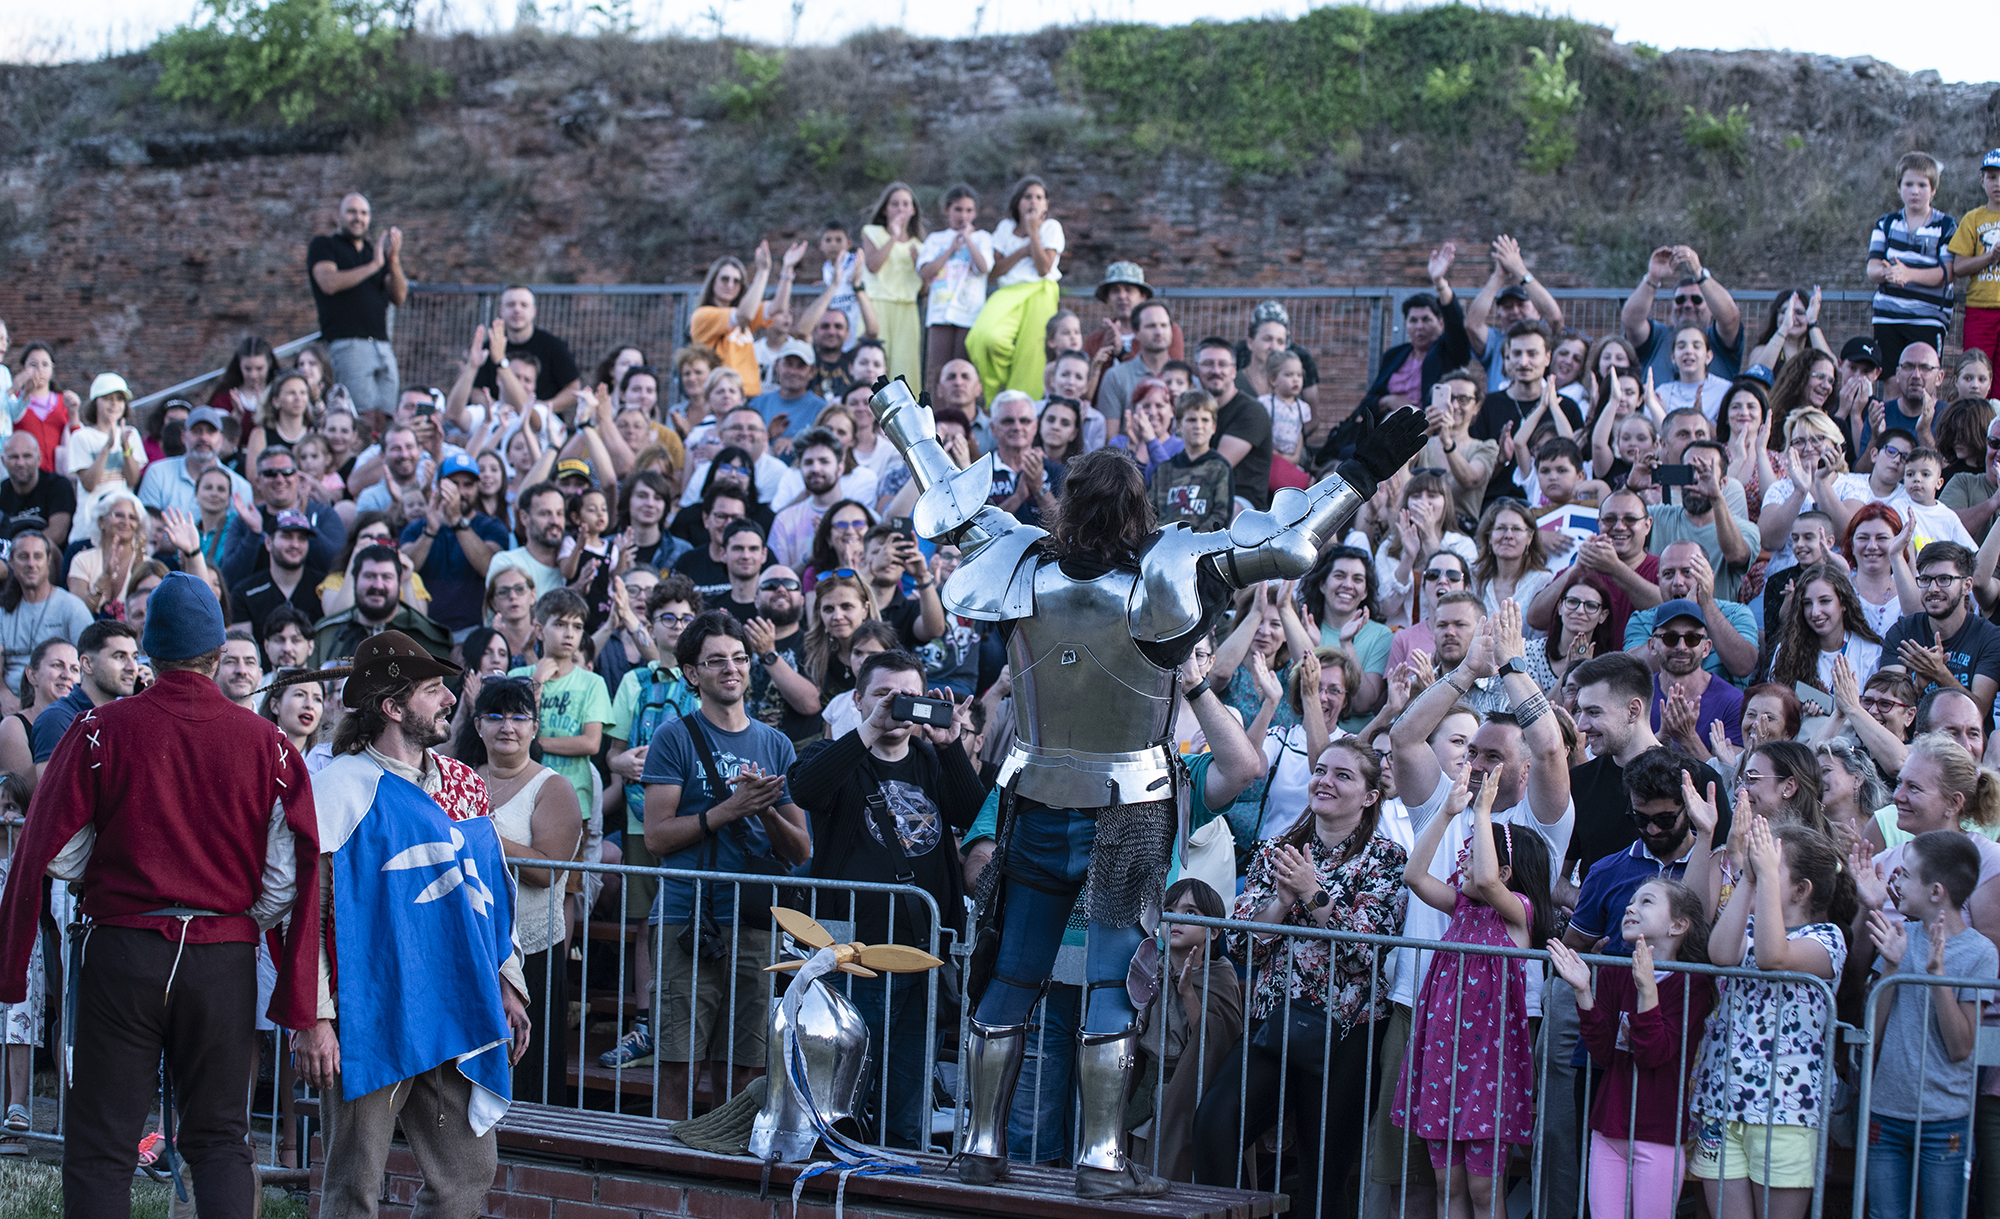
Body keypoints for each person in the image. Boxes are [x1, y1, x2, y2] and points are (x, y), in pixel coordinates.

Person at [868, 374, 1427, 1196]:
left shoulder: (1017, 556)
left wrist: (900, 417)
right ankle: (1099, 1157)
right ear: (1140, 510)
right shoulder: (1171, 563)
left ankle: (982, 1142)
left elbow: (946, 500)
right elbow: (1291, 542)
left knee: (1010, 977)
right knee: (1111, 984)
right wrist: (1363, 470)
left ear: (1069, 504)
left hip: (1035, 796)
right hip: (1129, 802)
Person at [0, 572, 319, 1217]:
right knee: (221, 1140)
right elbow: (288, 870)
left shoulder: (100, 728)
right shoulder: (267, 743)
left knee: (102, 1143)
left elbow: (55, 848)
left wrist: (117, 881)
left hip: (125, 950)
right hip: (222, 958)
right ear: (216, 653)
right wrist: (234, 916)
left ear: (150, 650)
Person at [288, 630, 531, 1218]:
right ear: (392, 709)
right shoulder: (337, 789)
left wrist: (507, 979)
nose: (450, 699)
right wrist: (315, 1016)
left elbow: (490, 891)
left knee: (467, 1176)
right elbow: (306, 913)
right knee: (353, 1186)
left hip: (455, 1006)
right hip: (371, 1013)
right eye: (432, 690)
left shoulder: (464, 784)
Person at [1193, 739, 1407, 1219]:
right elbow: (1242, 945)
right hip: (1275, 1024)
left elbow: (1365, 953)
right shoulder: (1277, 850)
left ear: (1371, 796)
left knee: (1323, 1179)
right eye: (1320, 770)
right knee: (1215, 1124)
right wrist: (1282, 901)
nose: (1325, 781)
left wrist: (1313, 893)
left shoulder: (1388, 859)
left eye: (1343, 775)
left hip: (1347, 1034)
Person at [789, 649, 982, 1148]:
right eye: (884, 695)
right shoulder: (833, 755)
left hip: (922, 959)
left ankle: (896, 1178)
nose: (897, 706)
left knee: (906, 1105)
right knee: (840, 1100)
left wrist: (951, 746)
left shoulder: (932, 760)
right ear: (856, 699)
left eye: (909, 696)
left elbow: (975, 817)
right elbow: (805, 790)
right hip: (853, 961)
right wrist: (870, 730)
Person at [640, 611, 812, 1118]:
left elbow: (800, 849)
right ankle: (667, 1161)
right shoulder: (674, 737)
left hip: (755, 920)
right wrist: (729, 810)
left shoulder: (776, 743)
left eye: (739, 658)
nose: (731, 669)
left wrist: (764, 811)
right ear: (692, 673)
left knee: (743, 1068)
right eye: (716, 661)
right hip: (685, 917)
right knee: (678, 1063)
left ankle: (726, 1158)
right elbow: (655, 836)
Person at [1394, 768, 1554, 1219]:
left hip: (1489, 1068)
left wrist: (1483, 812)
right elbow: (1414, 875)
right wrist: (1447, 814)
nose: (1462, 863)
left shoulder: (1518, 914)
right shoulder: (1461, 907)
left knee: (1484, 1191)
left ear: (1504, 872)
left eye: (1471, 855)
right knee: (1448, 1187)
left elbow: (1484, 880)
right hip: (1444, 1061)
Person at [1692, 821, 1852, 1218]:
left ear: (1801, 890)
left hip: (1786, 1109)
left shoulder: (1827, 938)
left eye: (1772, 866)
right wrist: (1749, 879)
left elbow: (1773, 957)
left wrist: (1761, 878)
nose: (1760, 867)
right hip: (1723, 1099)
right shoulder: (1748, 927)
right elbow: (1720, 954)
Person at [1547, 876, 1716, 1219]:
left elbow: (1654, 1054)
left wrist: (1648, 990)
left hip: (1658, 1132)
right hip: (1609, 1126)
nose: (1630, 908)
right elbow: (1602, 1053)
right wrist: (1583, 992)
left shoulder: (1692, 984)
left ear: (1678, 925)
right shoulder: (1616, 970)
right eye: (1631, 901)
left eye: (1646, 902)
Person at [452, 674, 583, 1106]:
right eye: (494, 716)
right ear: (477, 726)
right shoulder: (462, 780)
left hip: (532, 950)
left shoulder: (554, 787)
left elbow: (547, 870)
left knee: (528, 1072)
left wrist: (483, 834)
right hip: (471, 944)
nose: (507, 726)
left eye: (518, 717)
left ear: (534, 727)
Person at [1860, 828, 1996, 1219]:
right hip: (1886, 1112)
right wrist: (1891, 966)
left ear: (1936, 891)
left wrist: (1937, 977)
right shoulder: (1900, 937)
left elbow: (1960, 1047)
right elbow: (1873, 1032)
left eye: (1905, 874)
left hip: (1945, 1119)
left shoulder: (1980, 953)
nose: (1896, 881)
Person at [1128, 879, 1242, 1184]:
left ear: (1213, 931)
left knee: (1177, 1173)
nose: (1176, 918)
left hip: (1189, 1092)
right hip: (1148, 1090)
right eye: (1169, 910)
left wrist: (1188, 991)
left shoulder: (1219, 976)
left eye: (1190, 912)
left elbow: (1215, 1040)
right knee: (1139, 1171)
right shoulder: (1149, 968)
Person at [508, 587, 612, 817]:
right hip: (520, 795)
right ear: (539, 630)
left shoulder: (593, 683)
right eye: (560, 624)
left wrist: (535, 743)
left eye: (577, 626)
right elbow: (510, 734)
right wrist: (536, 684)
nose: (569, 634)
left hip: (575, 799)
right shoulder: (516, 677)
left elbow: (591, 743)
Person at [309, 192, 408, 418]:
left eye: (363, 213)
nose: (358, 218)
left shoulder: (373, 252)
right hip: (348, 344)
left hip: (382, 345)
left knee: (388, 415)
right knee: (360, 416)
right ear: (338, 216)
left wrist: (393, 261)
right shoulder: (324, 245)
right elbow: (328, 283)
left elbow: (399, 297)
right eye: (351, 212)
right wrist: (373, 266)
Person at [967, 176, 1065, 403]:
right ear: (1018, 202)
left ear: (1046, 204)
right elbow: (995, 270)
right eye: (1028, 197)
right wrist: (1023, 251)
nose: (1033, 201)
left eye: (1039, 197)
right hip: (1007, 291)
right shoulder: (1005, 228)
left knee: (1031, 354)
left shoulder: (1051, 227)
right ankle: (996, 392)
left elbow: (1043, 268)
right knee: (983, 337)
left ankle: (1023, 405)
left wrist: (1033, 232)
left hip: (1041, 291)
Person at [1879, 541, 2000, 718]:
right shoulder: (1903, 632)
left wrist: (1940, 674)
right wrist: (1918, 686)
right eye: (1925, 580)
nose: (1933, 589)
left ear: (1967, 586)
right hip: (1912, 734)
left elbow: (1979, 711)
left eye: (1944, 579)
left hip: (1963, 734)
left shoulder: (1989, 637)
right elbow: (1886, 708)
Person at [1868, 151, 1959, 375]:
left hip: (1928, 318)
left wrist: (1908, 274)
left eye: (1922, 185)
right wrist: (1890, 273)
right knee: (1891, 381)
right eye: (1908, 184)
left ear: (1933, 189)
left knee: (1924, 382)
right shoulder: (1885, 224)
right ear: (1899, 187)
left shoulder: (1946, 226)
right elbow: (1872, 269)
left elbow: (1947, 273)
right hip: (1888, 316)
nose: (1915, 191)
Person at [400, 453, 508, 635]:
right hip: (426, 631)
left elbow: (489, 568)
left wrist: (457, 520)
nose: (461, 492)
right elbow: (405, 569)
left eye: (468, 485)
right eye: (453, 484)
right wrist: (430, 532)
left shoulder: (492, 526)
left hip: (475, 632)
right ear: (438, 485)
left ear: (477, 487)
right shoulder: (417, 528)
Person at [1621, 244, 1746, 387]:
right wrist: (1653, 277)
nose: (1687, 305)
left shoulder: (1719, 339)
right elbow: (1631, 322)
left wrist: (1699, 273)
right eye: (1680, 299)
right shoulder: (1657, 337)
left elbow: (1730, 319)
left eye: (1696, 299)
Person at [312, 544, 453, 666]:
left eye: (386, 577)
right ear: (354, 579)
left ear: (400, 582)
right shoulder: (326, 633)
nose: (378, 585)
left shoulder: (428, 637)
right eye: (369, 576)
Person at [28, 619, 140, 769]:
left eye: (134, 657)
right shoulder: (57, 719)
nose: (132, 667)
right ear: (87, 664)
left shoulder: (128, 715)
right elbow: (52, 783)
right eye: (119, 656)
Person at [916, 184, 995, 393]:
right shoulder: (936, 239)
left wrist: (967, 239)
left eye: (969, 210)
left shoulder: (983, 238)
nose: (963, 216)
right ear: (947, 210)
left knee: (963, 371)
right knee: (940, 373)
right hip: (940, 312)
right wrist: (952, 248)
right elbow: (925, 272)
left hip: (969, 312)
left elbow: (983, 267)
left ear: (975, 213)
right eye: (958, 209)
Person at [0, 532, 93, 698]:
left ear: (48, 560)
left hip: (59, 698)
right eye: (23, 557)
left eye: (37, 556)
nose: (31, 564)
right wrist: (3, 694)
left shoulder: (71, 606)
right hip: (10, 698)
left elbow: (91, 658)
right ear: (11, 562)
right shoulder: (4, 608)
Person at [1771, 563, 1885, 697]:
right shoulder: (1787, 650)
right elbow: (1775, 702)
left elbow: (1877, 707)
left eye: (1824, 601)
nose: (1815, 612)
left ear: (1843, 603)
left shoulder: (1870, 653)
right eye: (1807, 603)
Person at [1196, 338, 1275, 512]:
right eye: (1208, 364)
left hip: (1241, 501)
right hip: (1197, 492)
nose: (1215, 370)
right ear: (1197, 370)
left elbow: (1216, 468)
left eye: (1222, 364)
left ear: (1233, 371)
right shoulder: (1193, 409)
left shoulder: (1251, 411)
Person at [137, 405, 255, 519]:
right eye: (196, 431)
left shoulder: (240, 487)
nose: (203, 437)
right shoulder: (158, 473)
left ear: (220, 440)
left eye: (210, 432)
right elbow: (146, 525)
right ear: (183, 436)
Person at [63, 373, 148, 518]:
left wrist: (126, 447)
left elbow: (132, 480)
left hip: (122, 521)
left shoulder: (131, 434)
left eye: (120, 399)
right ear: (96, 402)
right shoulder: (81, 436)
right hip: (90, 522)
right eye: (108, 399)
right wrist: (107, 448)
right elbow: (89, 485)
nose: (114, 404)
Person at [231, 509, 326, 636]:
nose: (295, 544)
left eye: (302, 538)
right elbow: (242, 646)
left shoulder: (324, 589)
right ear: (268, 543)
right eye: (287, 536)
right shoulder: (245, 593)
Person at [1147, 391, 1231, 532]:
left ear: (1214, 427)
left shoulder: (1220, 467)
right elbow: (1149, 513)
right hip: (1167, 541)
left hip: (1205, 543)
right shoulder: (1163, 470)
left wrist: (1194, 539)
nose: (1198, 425)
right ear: (1179, 425)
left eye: (1205, 420)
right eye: (1192, 420)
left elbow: (1222, 514)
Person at [486, 481, 568, 602]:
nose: (555, 521)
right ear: (524, 518)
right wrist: (575, 590)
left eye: (560, 514)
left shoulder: (575, 564)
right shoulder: (506, 563)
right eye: (545, 514)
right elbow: (508, 612)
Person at [0, 433, 74, 552]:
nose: (20, 463)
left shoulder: (58, 485)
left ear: (39, 458)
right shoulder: (2, 489)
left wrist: (18, 553)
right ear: (3, 461)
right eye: (14, 457)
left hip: (46, 556)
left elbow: (57, 535)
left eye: (27, 456)